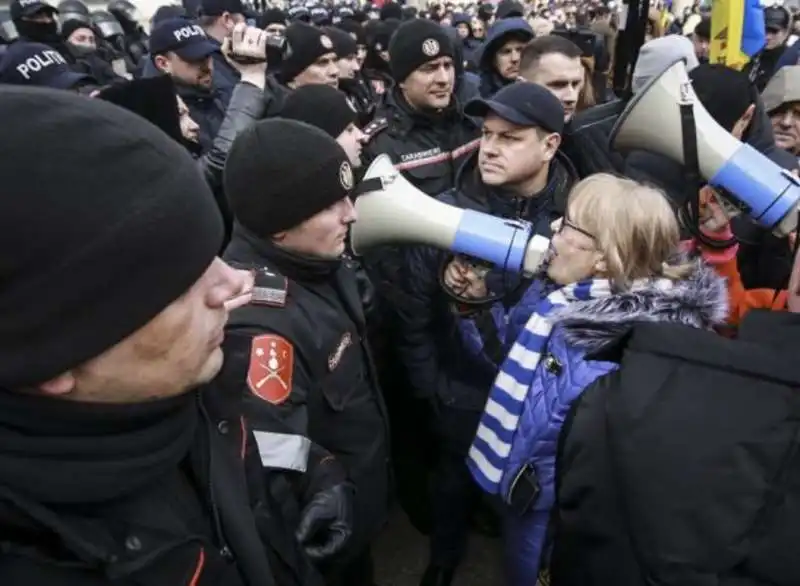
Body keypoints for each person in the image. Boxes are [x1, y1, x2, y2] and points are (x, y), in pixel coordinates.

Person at [0, 85, 326, 586]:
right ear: (53, 360)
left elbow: (257, 443)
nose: (235, 282)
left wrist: (317, 469)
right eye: (178, 282)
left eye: (210, 254)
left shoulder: (194, 380)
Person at [461, 174, 727, 586]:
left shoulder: (627, 353)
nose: (553, 229)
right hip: (531, 506)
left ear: (605, 258)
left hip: (560, 529)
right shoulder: (562, 301)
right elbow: (511, 358)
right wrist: (474, 307)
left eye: (568, 225)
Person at [395, 81, 574, 586]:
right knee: (451, 478)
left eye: (511, 137)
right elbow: (413, 310)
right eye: (487, 134)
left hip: (539, 395)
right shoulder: (445, 212)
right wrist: (429, 384)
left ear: (550, 145)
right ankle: (446, 558)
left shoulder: (577, 216)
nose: (490, 147)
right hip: (461, 390)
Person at [219, 119, 391, 586]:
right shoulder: (256, 329)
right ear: (278, 228)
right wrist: (326, 486)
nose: (351, 214)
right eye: (331, 205)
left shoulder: (318, 263)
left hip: (359, 508)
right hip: (329, 539)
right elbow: (268, 455)